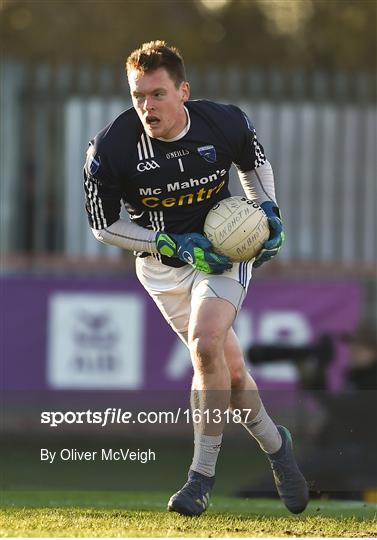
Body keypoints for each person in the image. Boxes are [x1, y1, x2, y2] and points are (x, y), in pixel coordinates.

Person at [83, 40, 308, 516]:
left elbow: (254, 164)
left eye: (157, 94)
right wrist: (167, 244)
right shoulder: (111, 148)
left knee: (206, 344)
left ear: (183, 91)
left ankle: (199, 479)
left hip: (225, 252)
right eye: (138, 95)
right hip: (162, 266)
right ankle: (277, 447)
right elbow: (103, 226)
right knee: (231, 370)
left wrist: (268, 211)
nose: (147, 106)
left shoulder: (223, 121)